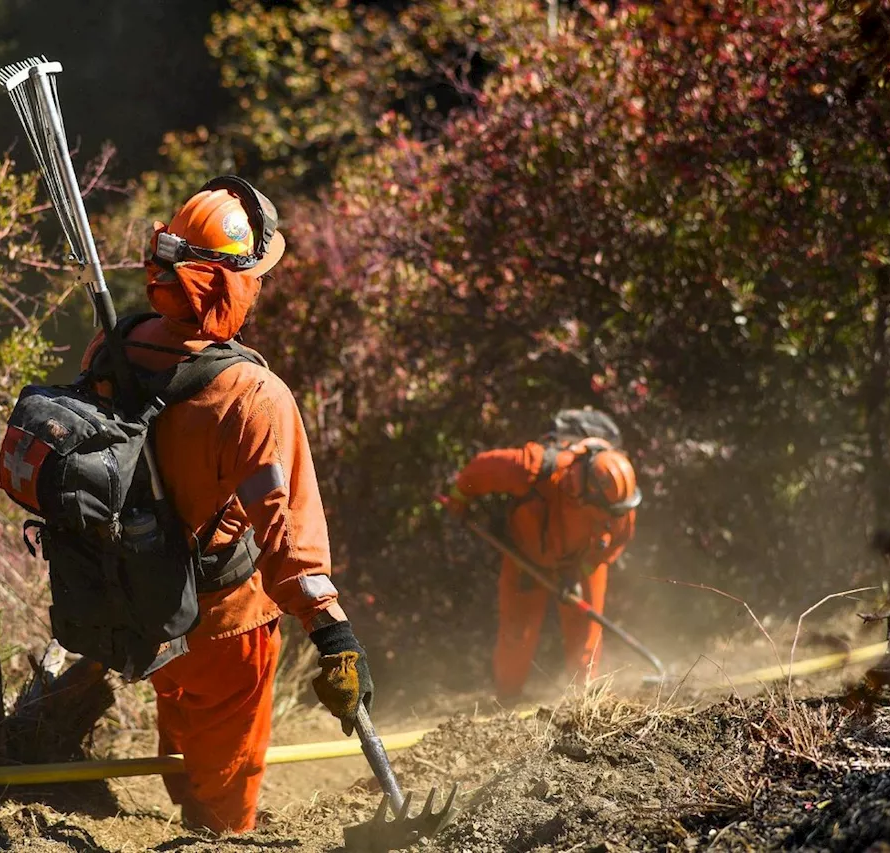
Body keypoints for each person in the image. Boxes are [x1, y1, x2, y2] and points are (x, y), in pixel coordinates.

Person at [80, 177, 372, 834]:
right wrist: (334, 636)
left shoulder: (110, 348)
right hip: (224, 620)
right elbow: (286, 531)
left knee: (182, 737)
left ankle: (192, 822)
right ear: (229, 283)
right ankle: (223, 835)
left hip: (142, 604)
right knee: (230, 774)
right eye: (256, 276)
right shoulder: (253, 395)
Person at [443, 420, 640, 699]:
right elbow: (480, 469)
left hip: (583, 561)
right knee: (517, 634)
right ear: (582, 493)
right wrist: (459, 499)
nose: (611, 518)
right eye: (604, 512)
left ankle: (583, 701)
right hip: (528, 556)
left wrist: (576, 573)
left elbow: (615, 543)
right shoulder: (535, 468)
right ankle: (508, 700)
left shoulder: (618, 505)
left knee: (585, 633)